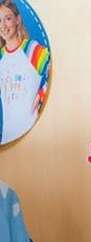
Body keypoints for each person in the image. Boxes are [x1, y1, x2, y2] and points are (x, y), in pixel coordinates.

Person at [0, 0, 50, 144]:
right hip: (7, 139)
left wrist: (43, 92)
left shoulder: (32, 50)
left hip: (33, 136)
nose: (2, 25)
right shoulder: (1, 57)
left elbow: (58, 71)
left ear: (18, 20)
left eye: (7, 18)